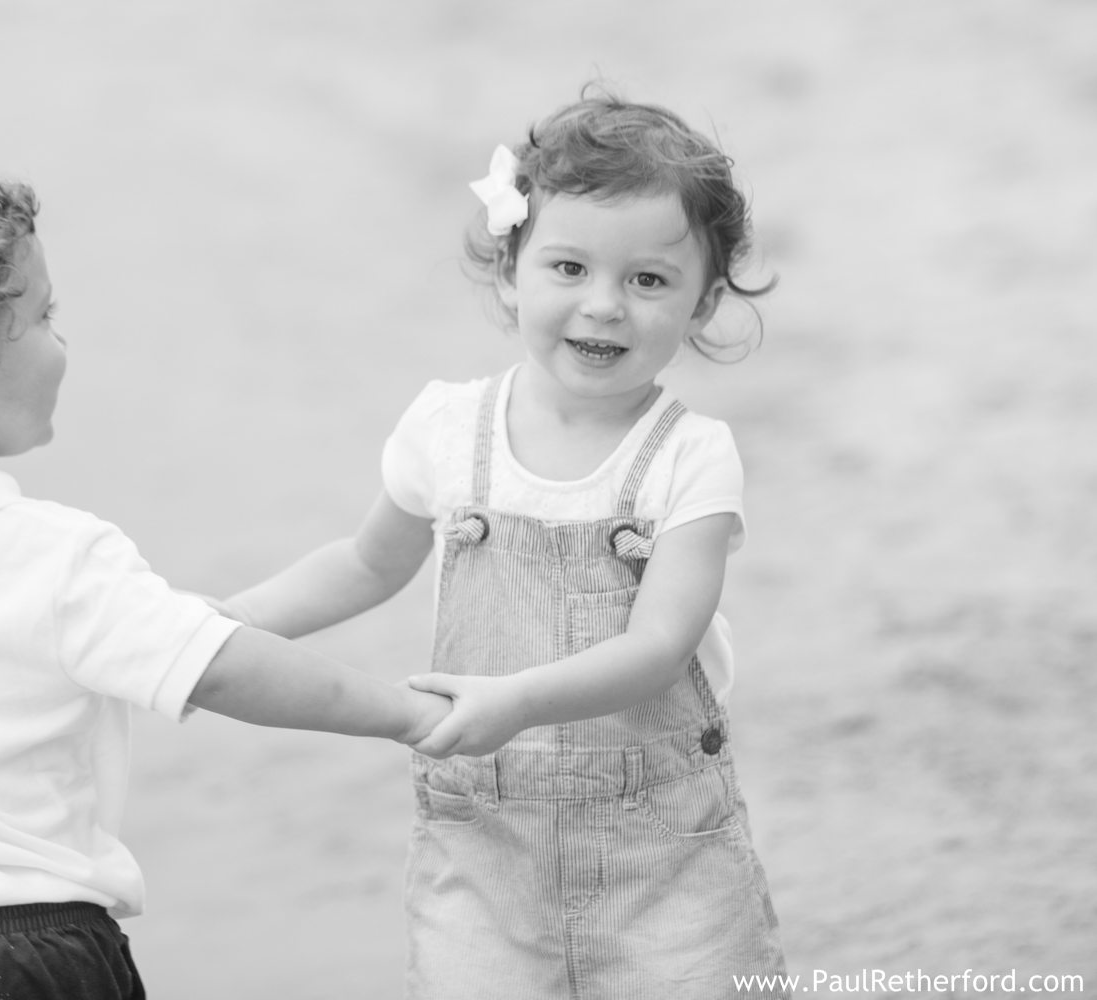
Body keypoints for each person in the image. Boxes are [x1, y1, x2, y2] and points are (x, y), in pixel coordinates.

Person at [0, 149, 458, 1000]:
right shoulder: (58, 555)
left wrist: (190, 626)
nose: (63, 342)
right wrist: (410, 715)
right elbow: (223, 669)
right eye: (44, 318)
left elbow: (95, 639)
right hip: (22, 954)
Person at [218, 88, 789, 998]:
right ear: (511, 269)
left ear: (704, 301)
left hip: (666, 857)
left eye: (648, 280)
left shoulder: (691, 458)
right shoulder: (448, 429)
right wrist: (232, 619)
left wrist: (518, 701)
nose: (603, 306)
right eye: (569, 267)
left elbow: (658, 646)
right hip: (481, 854)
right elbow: (368, 562)